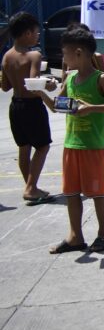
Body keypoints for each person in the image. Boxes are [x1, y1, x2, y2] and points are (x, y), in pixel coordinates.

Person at [43, 25, 104, 254]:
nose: (63, 58)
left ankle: (103, 234)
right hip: (72, 145)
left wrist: (92, 108)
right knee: (71, 192)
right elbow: (57, 107)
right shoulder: (69, 80)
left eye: (65, 53)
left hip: (92, 147)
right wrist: (41, 91)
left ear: (78, 53)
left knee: (98, 193)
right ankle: (75, 237)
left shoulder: (100, 78)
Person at [2, 12, 55, 205]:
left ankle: (30, 186)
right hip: (32, 107)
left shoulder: (7, 56)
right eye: (35, 32)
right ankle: (31, 188)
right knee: (42, 146)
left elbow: (5, 86)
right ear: (26, 33)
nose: (38, 35)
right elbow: (32, 85)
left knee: (23, 148)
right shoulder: (34, 55)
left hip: (15, 106)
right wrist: (48, 84)